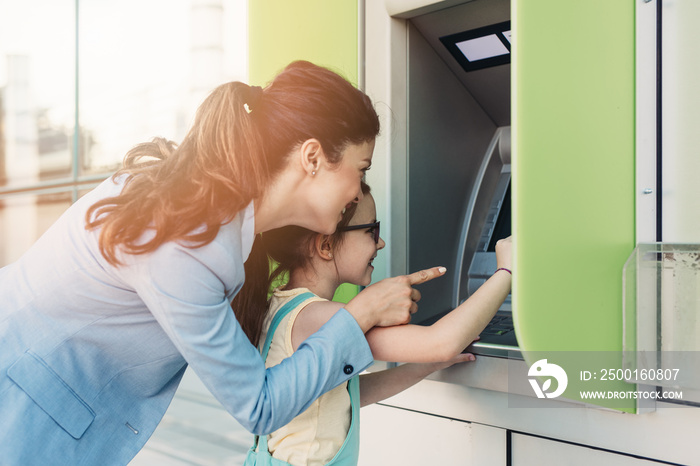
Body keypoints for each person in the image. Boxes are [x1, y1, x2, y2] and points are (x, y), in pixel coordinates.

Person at [0, 61, 444, 466]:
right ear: (312, 158)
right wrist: (361, 314)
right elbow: (260, 406)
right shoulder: (185, 241)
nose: (358, 191)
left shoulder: (216, 219)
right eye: (360, 170)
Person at [242, 182, 512, 465]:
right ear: (325, 245)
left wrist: (427, 366)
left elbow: (344, 396)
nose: (380, 242)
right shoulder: (317, 318)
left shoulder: (281, 305)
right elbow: (441, 342)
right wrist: (506, 271)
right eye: (372, 230)